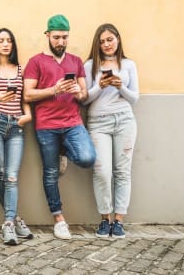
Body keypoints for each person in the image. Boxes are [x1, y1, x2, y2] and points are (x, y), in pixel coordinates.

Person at [23, 14, 96, 240]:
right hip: (46, 126)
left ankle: (65, 150)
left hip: (73, 123)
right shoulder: (35, 62)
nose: (61, 42)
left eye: (64, 37)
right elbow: (28, 94)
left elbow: (84, 95)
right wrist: (53, 90)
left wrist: (78, 92)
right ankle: (59, 219)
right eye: (56, 37)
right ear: (47, 35)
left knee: (87, 158)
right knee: (50, 172)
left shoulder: (75, 61)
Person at [83, 23, 139, 239]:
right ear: (97, 43)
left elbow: (134, 97)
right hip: (98, 123)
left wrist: (119, 86)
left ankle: (119, 221)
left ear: (118, 39)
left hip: (125, 120)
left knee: (123, 172)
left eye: (110, 39)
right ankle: (104, 219)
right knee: (102, 172)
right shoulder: (90, 65)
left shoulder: (128, 64)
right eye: (102, 41)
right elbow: (85, 99)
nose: (106, 44)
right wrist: (101, 85)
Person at [0, 28, 34, 245]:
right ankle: (13, 222)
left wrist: (27, 115)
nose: (5, 44)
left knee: (11, 176)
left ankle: (10, 222)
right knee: (1, 173)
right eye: (1, 40)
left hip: (16, 126)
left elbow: (25, 99)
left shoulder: (21, 69)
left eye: (9, 41)